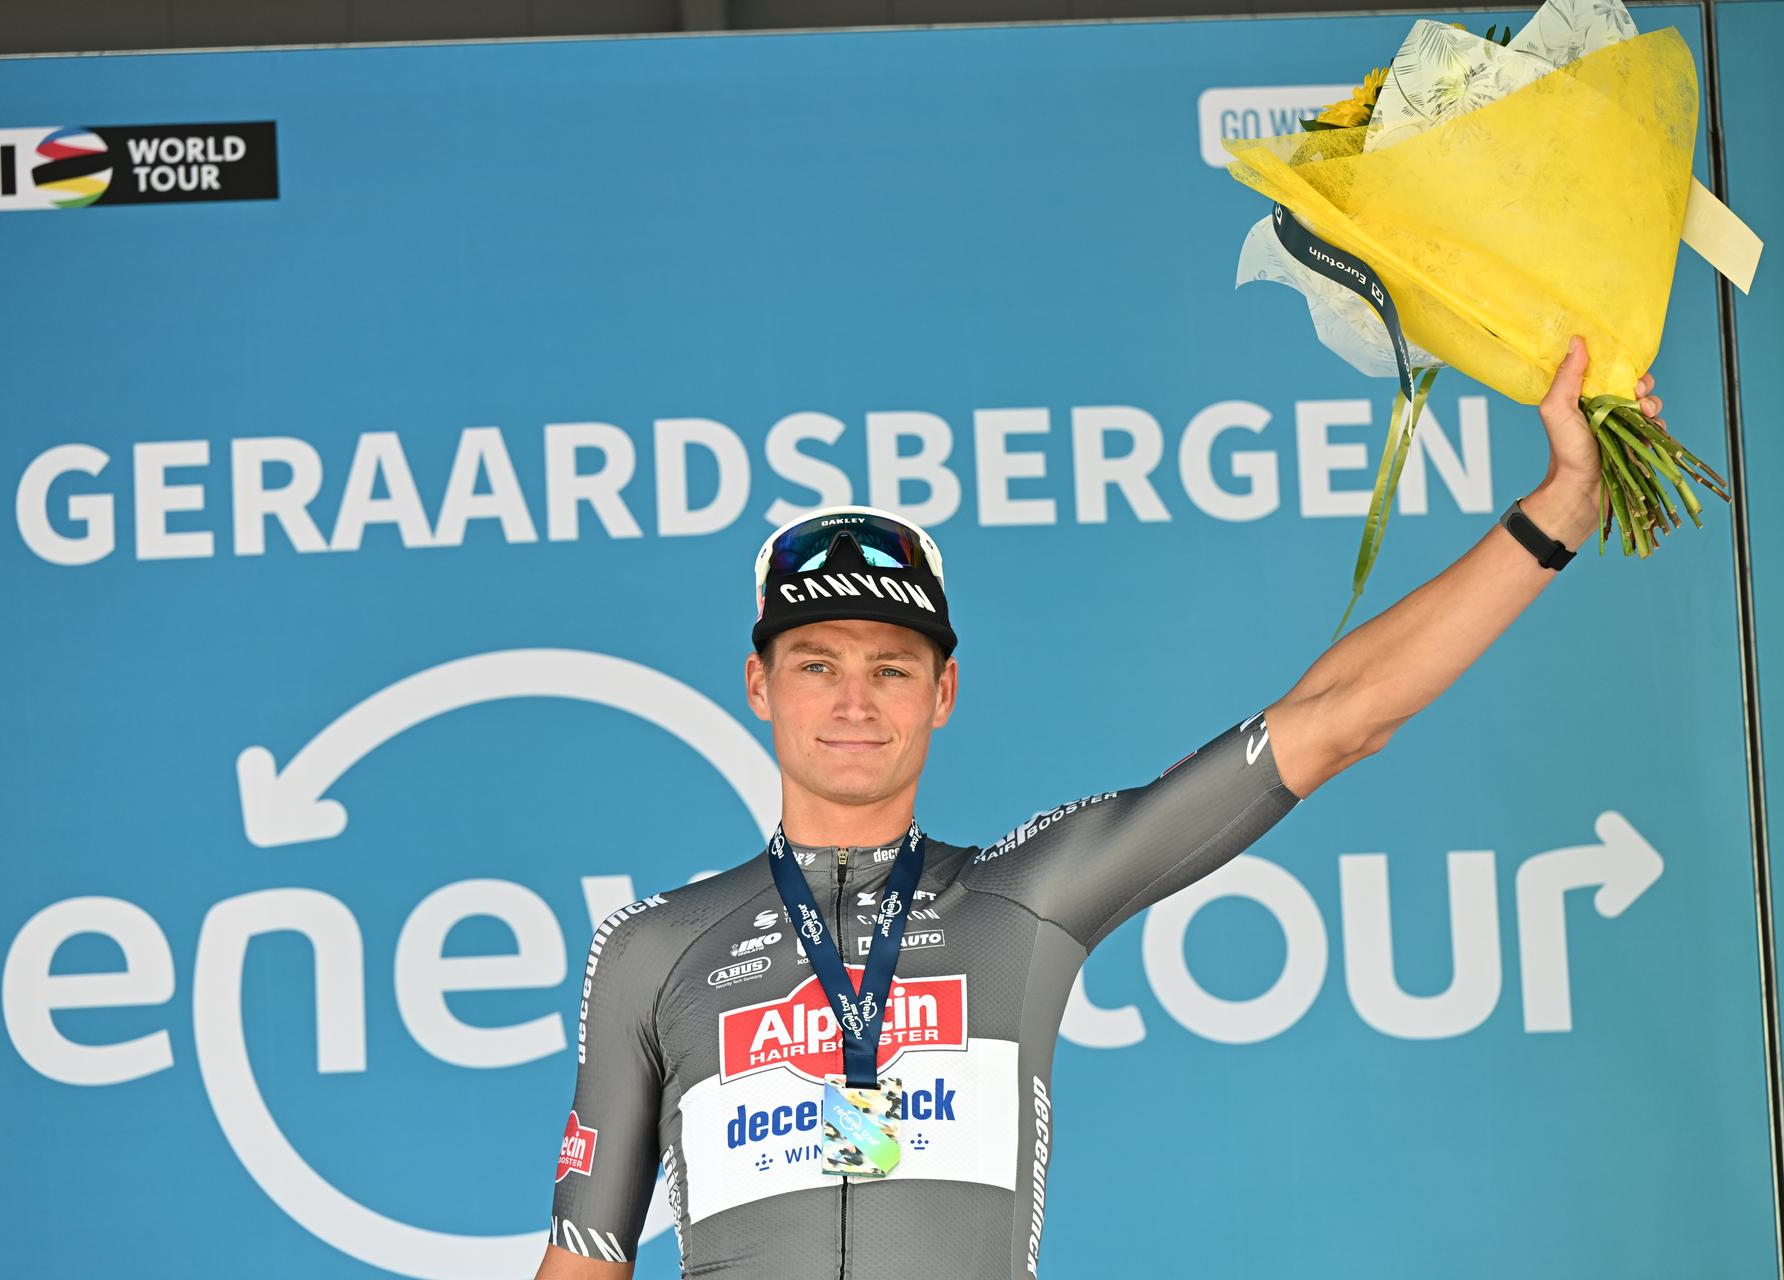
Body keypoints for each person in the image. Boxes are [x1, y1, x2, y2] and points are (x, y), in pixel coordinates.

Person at [535, 339, 1653, 1278]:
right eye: (817, 665)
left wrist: (1561, 507)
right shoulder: (654, 949)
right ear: (759, 685)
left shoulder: (1021, 895)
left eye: (891, 667)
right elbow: (582, 1262)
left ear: (943, 692)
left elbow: (1335, 719)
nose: (854, 702)